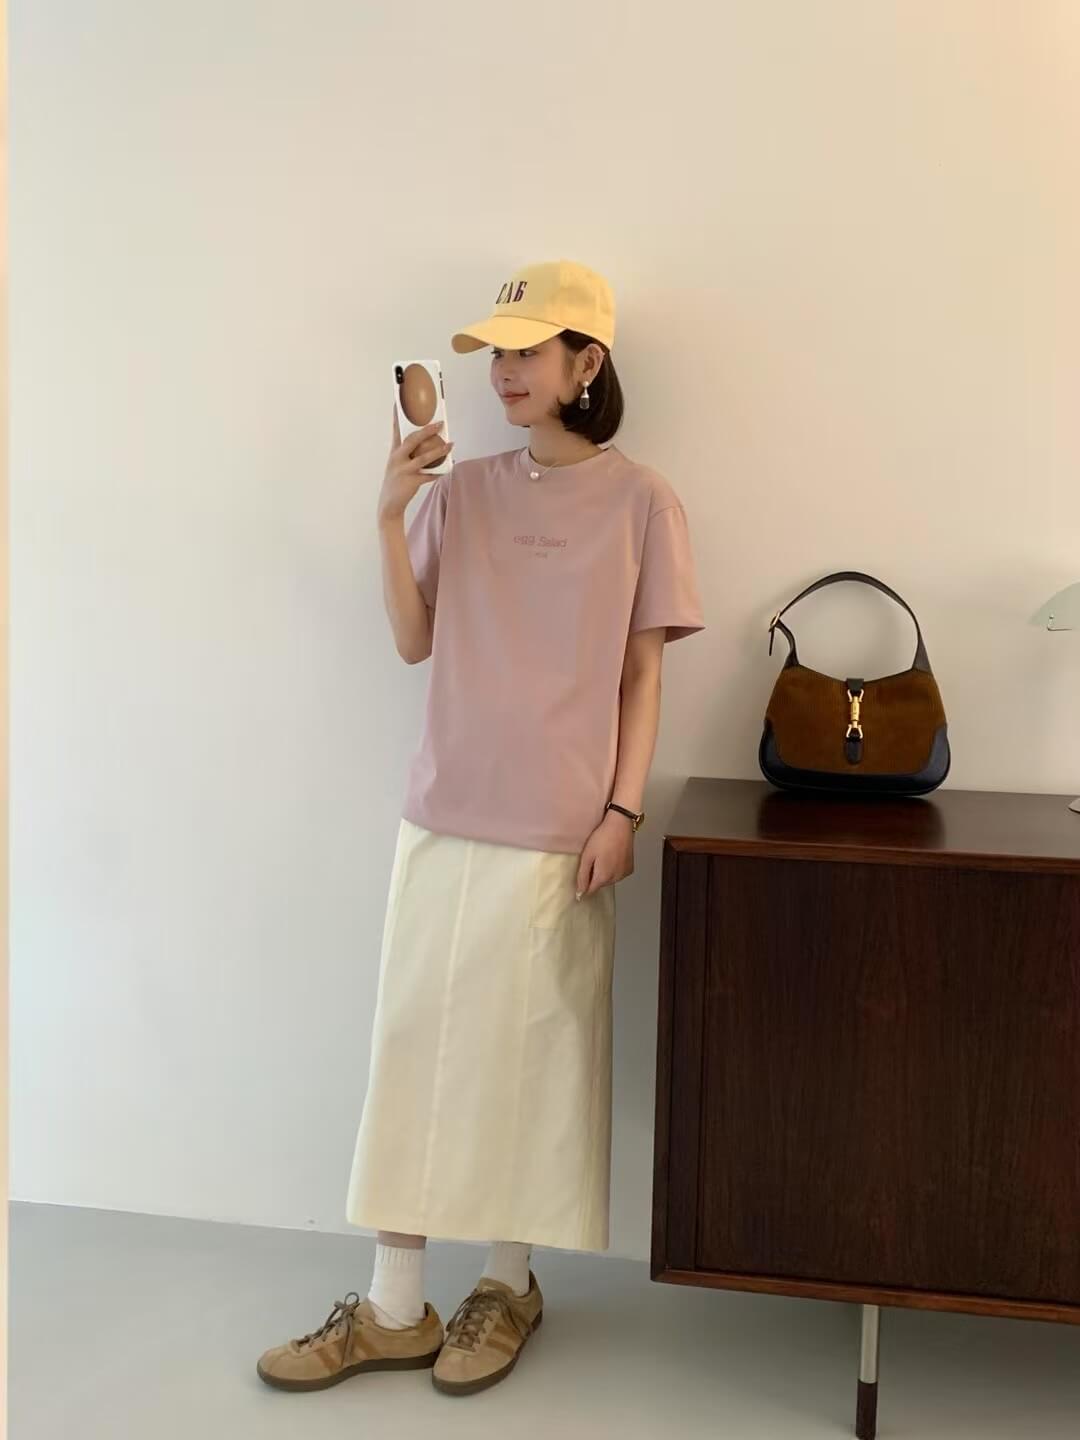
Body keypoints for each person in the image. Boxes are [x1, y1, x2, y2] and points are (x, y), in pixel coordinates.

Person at [256, 259, 706, 1398]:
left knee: (534, 1061)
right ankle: (393, 1306)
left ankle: (507, 1286)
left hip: (563, 827)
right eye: (497, 354)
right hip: (446, 808)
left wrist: (623, 809)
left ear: (586, 362)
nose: (504, 372)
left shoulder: (645, 502)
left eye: (527, 351)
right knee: (414, 1048)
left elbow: (642, 677)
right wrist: (389, 509)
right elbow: (414, 640)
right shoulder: (463, 493)